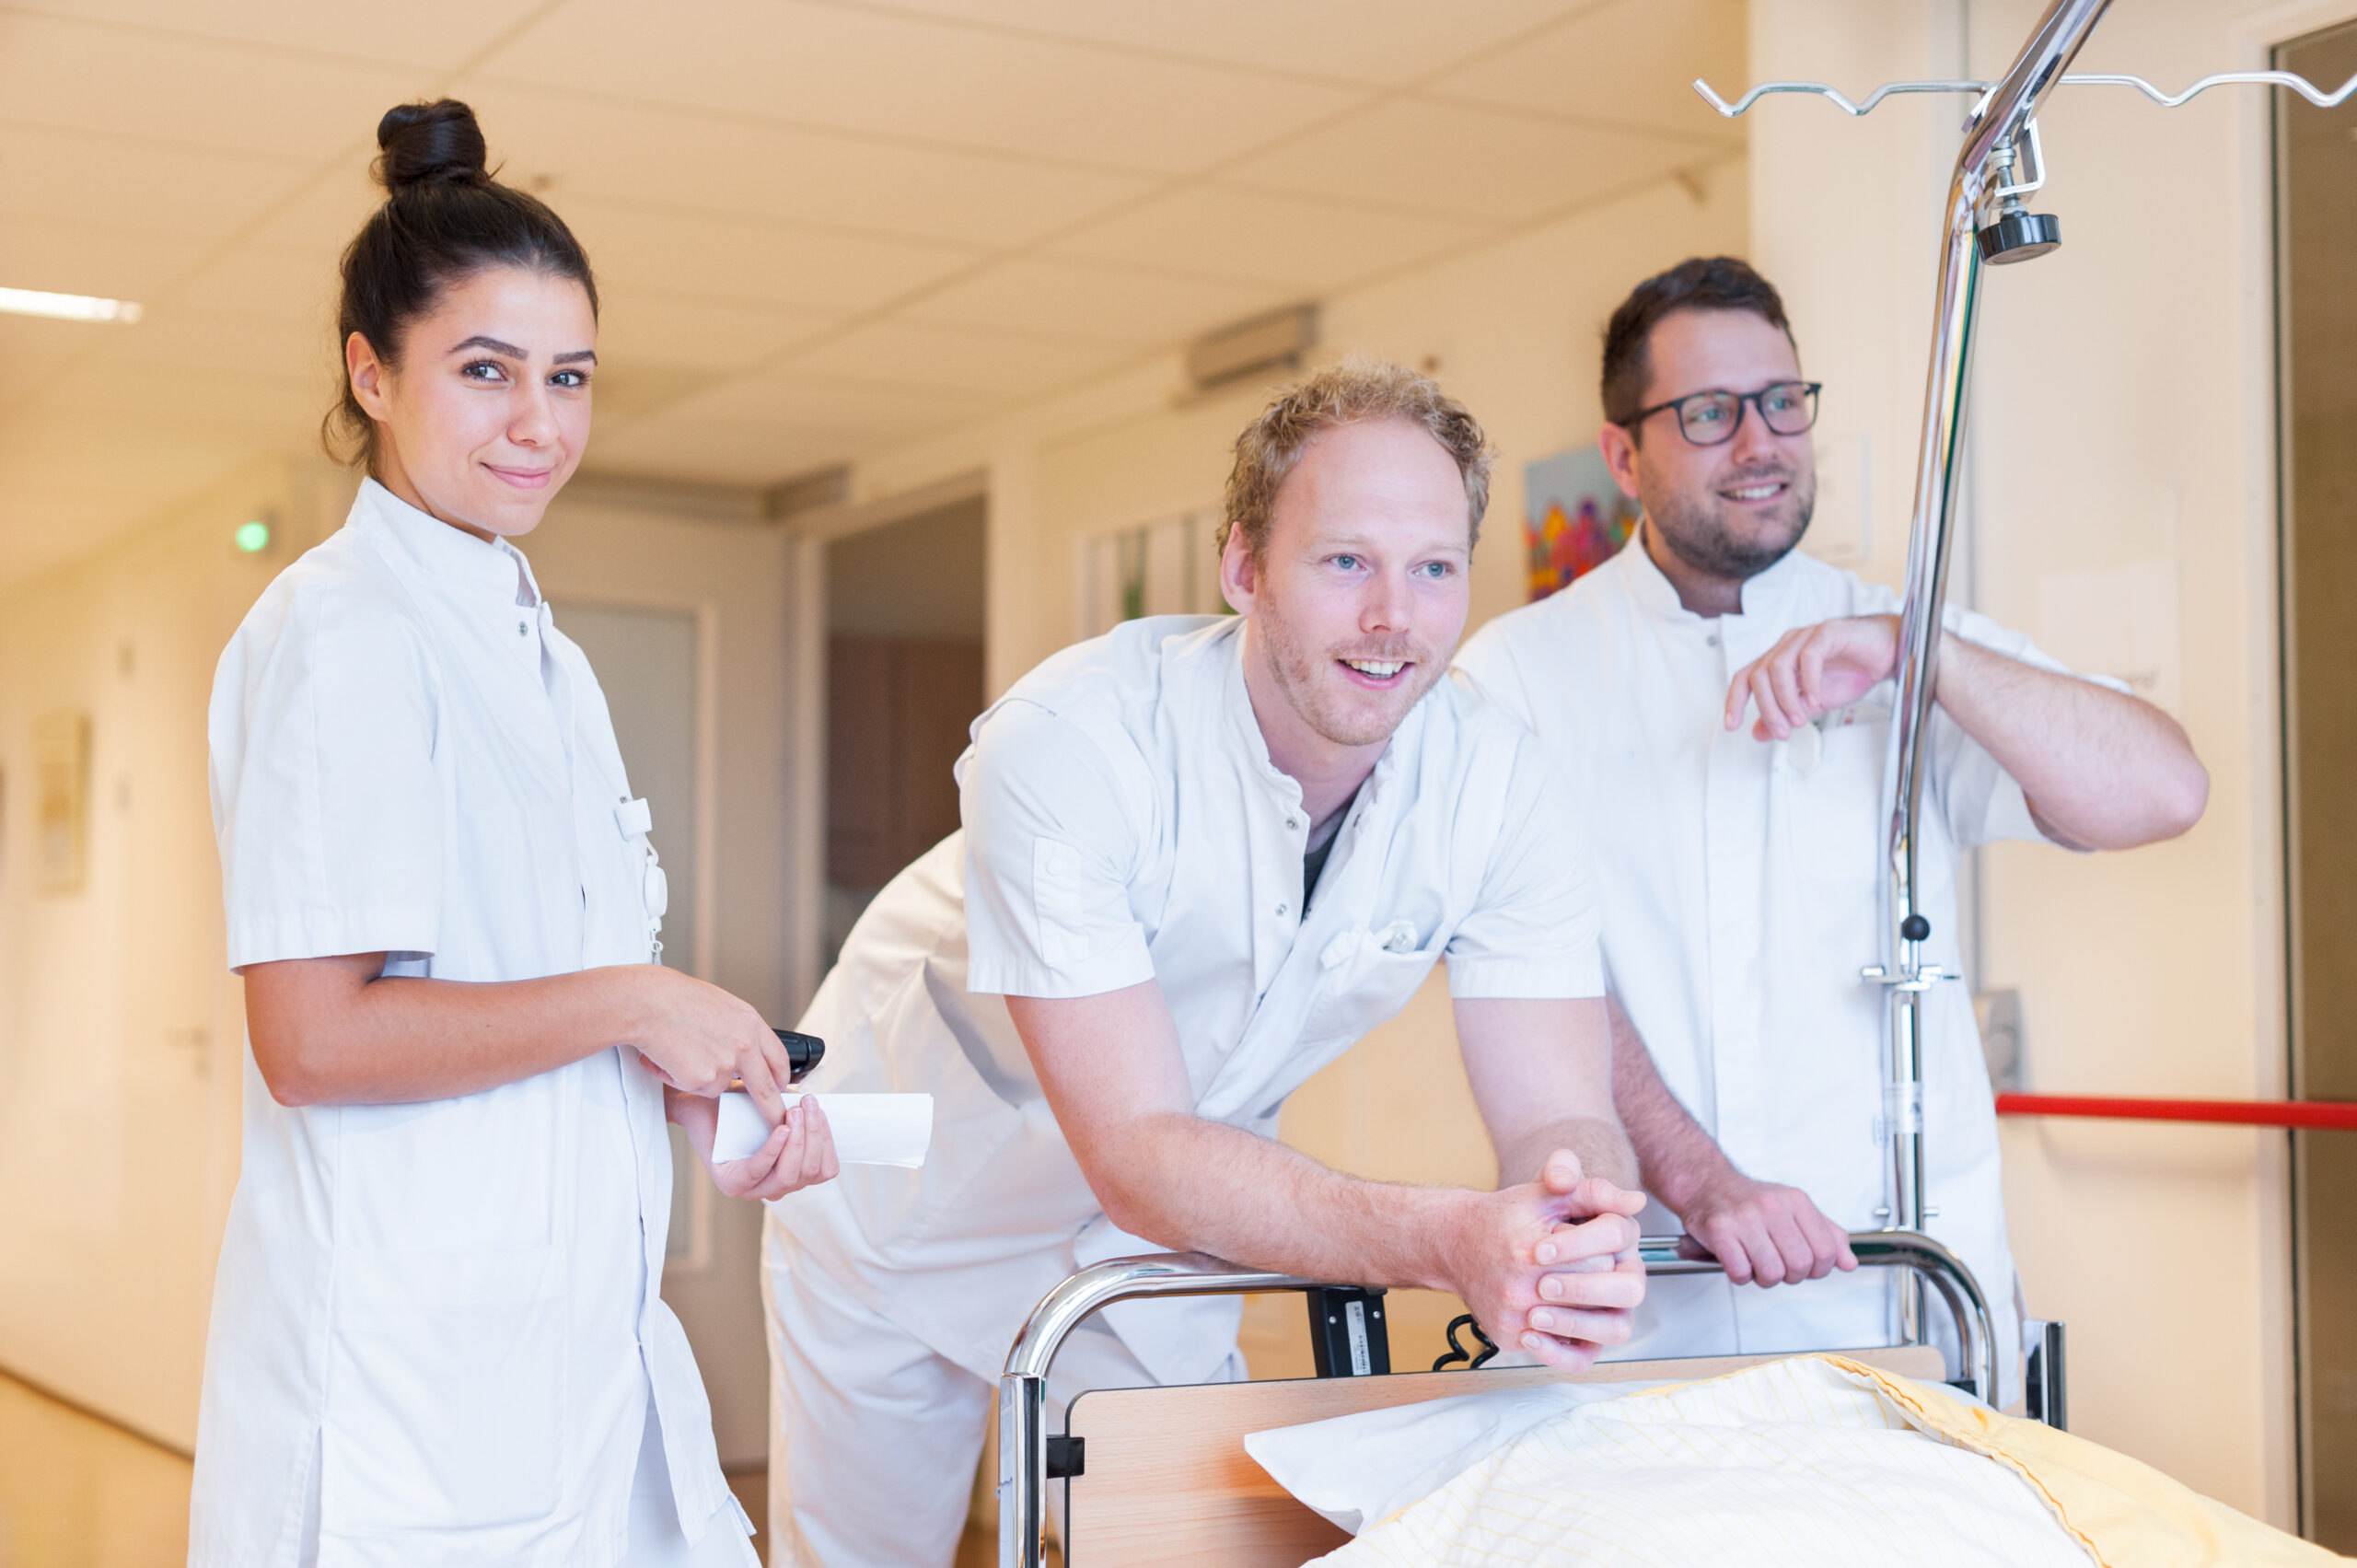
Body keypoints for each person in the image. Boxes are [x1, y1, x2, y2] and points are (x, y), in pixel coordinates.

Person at [761, 361, 1649, 1567]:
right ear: (1244, 568)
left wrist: (1573, 1223)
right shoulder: (1074, 743)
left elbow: (1559, 1101)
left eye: (1434, 567)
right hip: (902, 1208)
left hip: (1161, 1231)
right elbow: (1136, 1149)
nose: (1396, 615)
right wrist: (1453, 1241)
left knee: (1213, 1542)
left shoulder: (1499, 782)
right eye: (1346, 562)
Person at [193, 99, 838, 1568]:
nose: (539, 423)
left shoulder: (536, 646)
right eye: (485, 371)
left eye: (570, 376)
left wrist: (693, 1093)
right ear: (373, 371)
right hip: (404, 1406)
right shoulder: (346, 630)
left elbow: (530, 988)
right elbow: (315, 1038)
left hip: (571, 1362)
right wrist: (636, 1001)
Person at [1454, 256, 2209, 1406]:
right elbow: (1540, 980)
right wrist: (1702, 1183)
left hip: (1906, 1312)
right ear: (1622, 454)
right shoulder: (1514, 678)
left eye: (1781, 401)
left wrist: (1918, 655)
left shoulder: (1899, 644)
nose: (1757, 441)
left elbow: (2163, 791)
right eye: (1706, 413)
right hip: (1653, 1322)